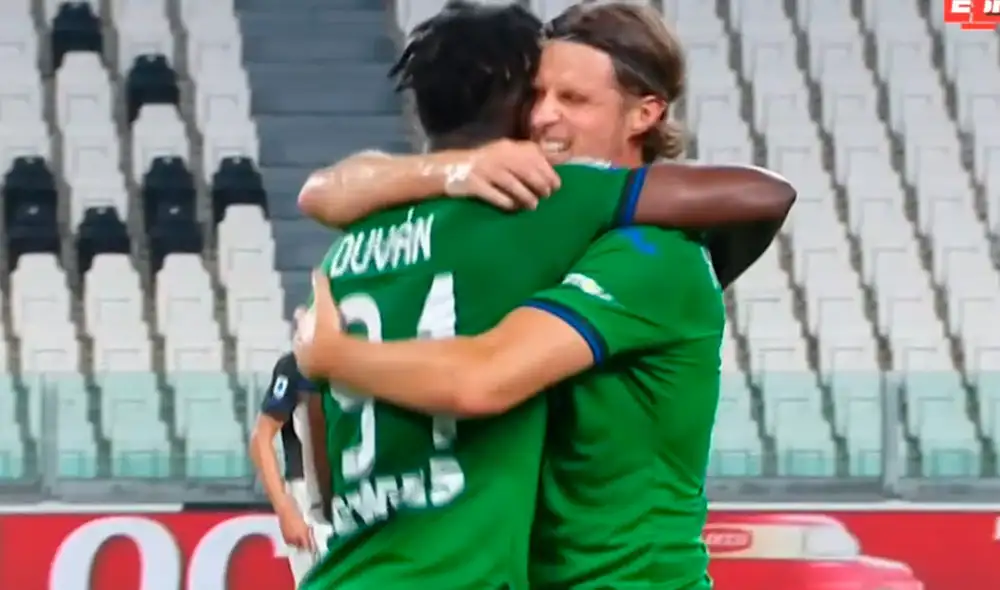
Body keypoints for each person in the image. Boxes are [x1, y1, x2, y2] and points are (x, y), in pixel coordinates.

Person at [293, 2, 793, 589]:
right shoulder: (519, 241)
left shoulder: (650, 255)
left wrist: (330, 357)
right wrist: (454, 171)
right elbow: (326, 191)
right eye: (536, 96)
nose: (544, 118)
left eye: (574, 100)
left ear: (644, 113)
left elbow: (484, 377)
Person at [247, 352, 331, 586]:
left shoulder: (369, 355)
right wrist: (285, 507)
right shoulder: (296, 365)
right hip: (307, 496)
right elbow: (261, 438)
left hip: (357, 492)